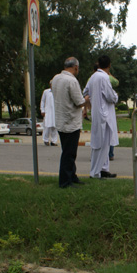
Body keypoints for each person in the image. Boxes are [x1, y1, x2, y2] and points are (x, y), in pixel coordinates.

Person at [51, 57, 88, 188]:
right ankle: (65, 181)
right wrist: (87, 98)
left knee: (67, 151)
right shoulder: (72, 81)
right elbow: (79, 102)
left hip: (61, 120)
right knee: (69, 153)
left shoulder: (56, 78)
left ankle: (72, 176)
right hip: (71, 122)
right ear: (76, 67)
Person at [83, 55, 119, 179]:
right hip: (105, 115)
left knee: (102, 143)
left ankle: (104, 169)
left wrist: (93, 98)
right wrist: (116, 96)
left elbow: (85, 92)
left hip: (97, 114)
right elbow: (110, 96)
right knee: (102, 144)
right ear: (109, 65)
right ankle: (95, 172)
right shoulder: (104, 77)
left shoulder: (93, 77)